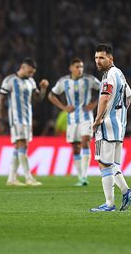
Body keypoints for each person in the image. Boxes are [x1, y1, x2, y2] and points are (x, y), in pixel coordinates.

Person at [90, 43, 131, 212]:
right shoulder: (120, 74)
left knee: (103, 163)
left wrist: (98, 119)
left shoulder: (109, 75)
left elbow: (104, 98)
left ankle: (116, 198)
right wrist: (120, 115)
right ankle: (119, 196)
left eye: (101, 58)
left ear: (110, 58)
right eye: (96, 58)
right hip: (119, 125)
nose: (98, 61)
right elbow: (129, 96)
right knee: (112, 163)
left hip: (107, 124)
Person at [0, 57, 49, 186]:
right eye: (29, 72)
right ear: (23, 67)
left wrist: (42, 89)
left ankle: (11, 178)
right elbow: (1, 100)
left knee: (20, 146)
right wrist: (0, 119)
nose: (31, 75)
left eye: (33, 73)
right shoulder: (9, 80)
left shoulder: (30, 81)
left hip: (27, 119)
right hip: (16, 118)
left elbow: (37, 98)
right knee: (22, 145)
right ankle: (28, 177)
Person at [48, 58, 100, 186]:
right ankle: (80, 177)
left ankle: (85, 176)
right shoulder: (63, 81)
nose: (80, 69)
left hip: (86, 117)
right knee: (75, 148)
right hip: (72, 118)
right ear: (71, 68)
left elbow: (106, 90)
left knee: (85, 142)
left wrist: (95, 104)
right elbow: (51, 95)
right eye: (77, 67)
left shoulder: (89, 79)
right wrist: (63, 107)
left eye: (81, 67)